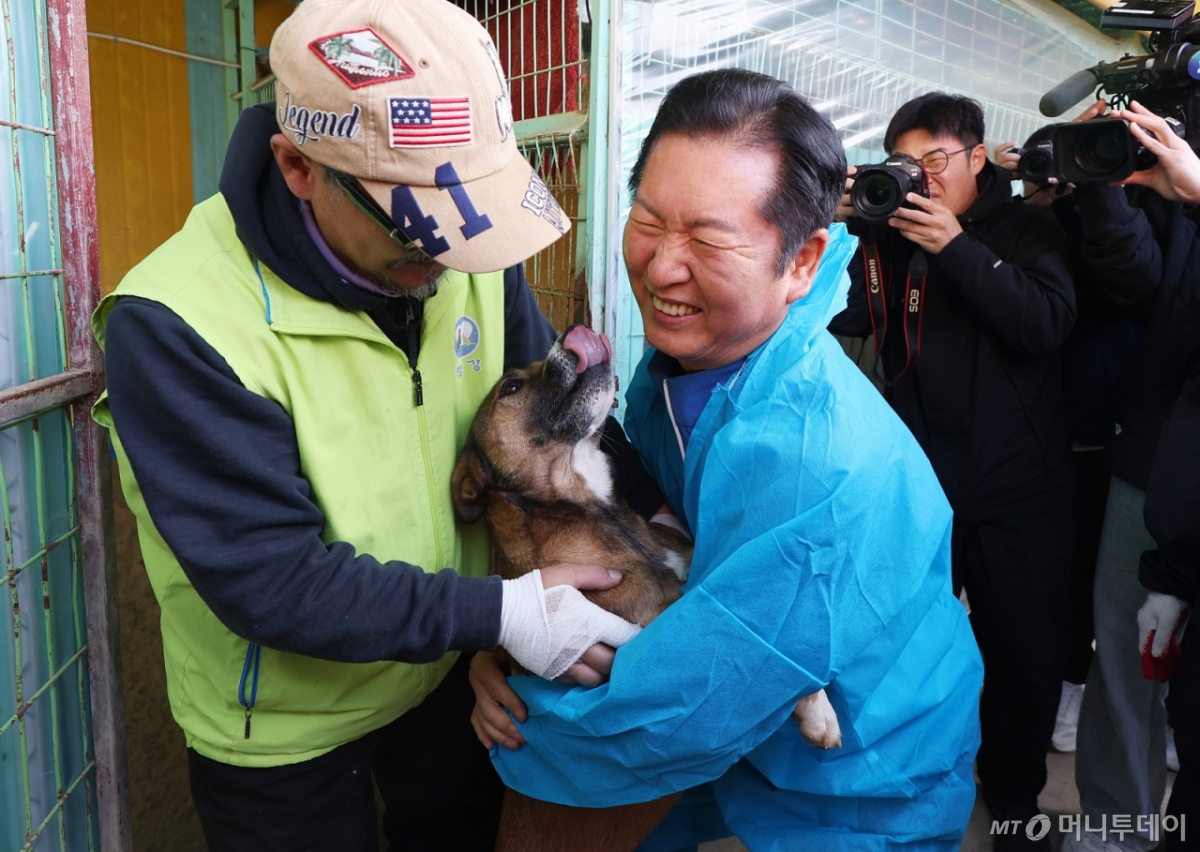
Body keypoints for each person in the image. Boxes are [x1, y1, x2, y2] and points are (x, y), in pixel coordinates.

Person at [90, 0, 653, 849]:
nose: (444, 252)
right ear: (297, 165)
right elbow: (270, 580)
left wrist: (504, 629)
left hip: (453, 675)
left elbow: (561, 428)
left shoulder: (458, 254)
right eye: (410, 220)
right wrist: (500, 616)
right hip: (287, 728)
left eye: (466, 219)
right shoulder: (178, 320)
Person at [469, 68, 984, 852]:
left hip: (858, 784)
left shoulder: (819, 464)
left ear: (804, 261)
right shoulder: (699, 359)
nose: (663, 266)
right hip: (751, 749)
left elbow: (693, 700)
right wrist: (503, 641)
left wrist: (524, 704)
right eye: (646, 219)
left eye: (709, 239)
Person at [828, 92, 1076, 848]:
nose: (922, 179)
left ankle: (1013, 803)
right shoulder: (889, 232)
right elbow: (856, 326)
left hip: (1018, 487)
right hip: (918, 484)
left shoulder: (1029, 226)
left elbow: (1045, 323)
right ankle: (901, 788)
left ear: (976, 156)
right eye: (908, 163)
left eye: (936, 161)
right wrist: (831, 230)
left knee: (1021, 656)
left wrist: (956, 246)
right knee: (901, 646)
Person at [1042, 101, 1200, 852]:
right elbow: (1144, 285)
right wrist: (1099, 181)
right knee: (1126, 655)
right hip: (1154, 460)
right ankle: (1114, 830)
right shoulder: (1177, 172)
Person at [994, 111, 1141, 757]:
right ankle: (1056, 688)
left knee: (1105, 579)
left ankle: (1093, 689)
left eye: (1062, 167)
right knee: (1046, 584)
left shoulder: (1114, 226)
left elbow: (1122, 294)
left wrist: (1083, 202)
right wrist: (1008, 196)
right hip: (1036, 439)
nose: (1047, 180)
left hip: (1108, 433)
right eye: (1038, 168)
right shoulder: (1017, 231)